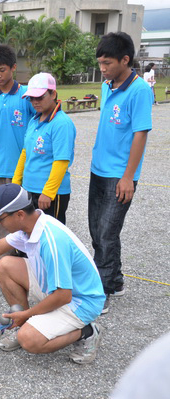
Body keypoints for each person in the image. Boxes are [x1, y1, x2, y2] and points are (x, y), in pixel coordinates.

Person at [0, 184, 106, 364]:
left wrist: (27, 315)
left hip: (80, 301)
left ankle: (87, 332)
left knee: (28, 340)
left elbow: (63, 296)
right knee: (4, 265)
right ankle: (27, 323)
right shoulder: (29, 227)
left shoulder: (51, 241)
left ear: (19, 214)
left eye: (0, 219)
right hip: (57, 287)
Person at [89, 32, 153, 313]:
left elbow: (140, 135)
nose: (102, 68)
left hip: (120, 175)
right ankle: (114, 280)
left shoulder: (139, 90)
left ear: (125, 60)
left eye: (107, 63)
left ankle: (100, 291)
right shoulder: (107, 86)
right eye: (100, 63)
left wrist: (128, 177)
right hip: (97, 169)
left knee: (107, 232)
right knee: (97, 230)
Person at [0, 44, 35, 265]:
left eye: (2, 70)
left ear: (13, 68)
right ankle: (0, 258)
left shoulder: (27, 97)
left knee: (23, 215)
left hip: (21, 170)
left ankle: (26, 258)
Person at [12, 72, 76, 224]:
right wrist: (16, 182)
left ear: (53, 94)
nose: (35, 102)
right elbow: (25, 153)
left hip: (49, 194)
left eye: (40, 97)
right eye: (31, 98)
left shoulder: (61, 124)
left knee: (49, 237)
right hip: (29, 189)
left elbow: (61, 161)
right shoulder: (34, 120)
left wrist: (48, 192)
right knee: (30, 236)